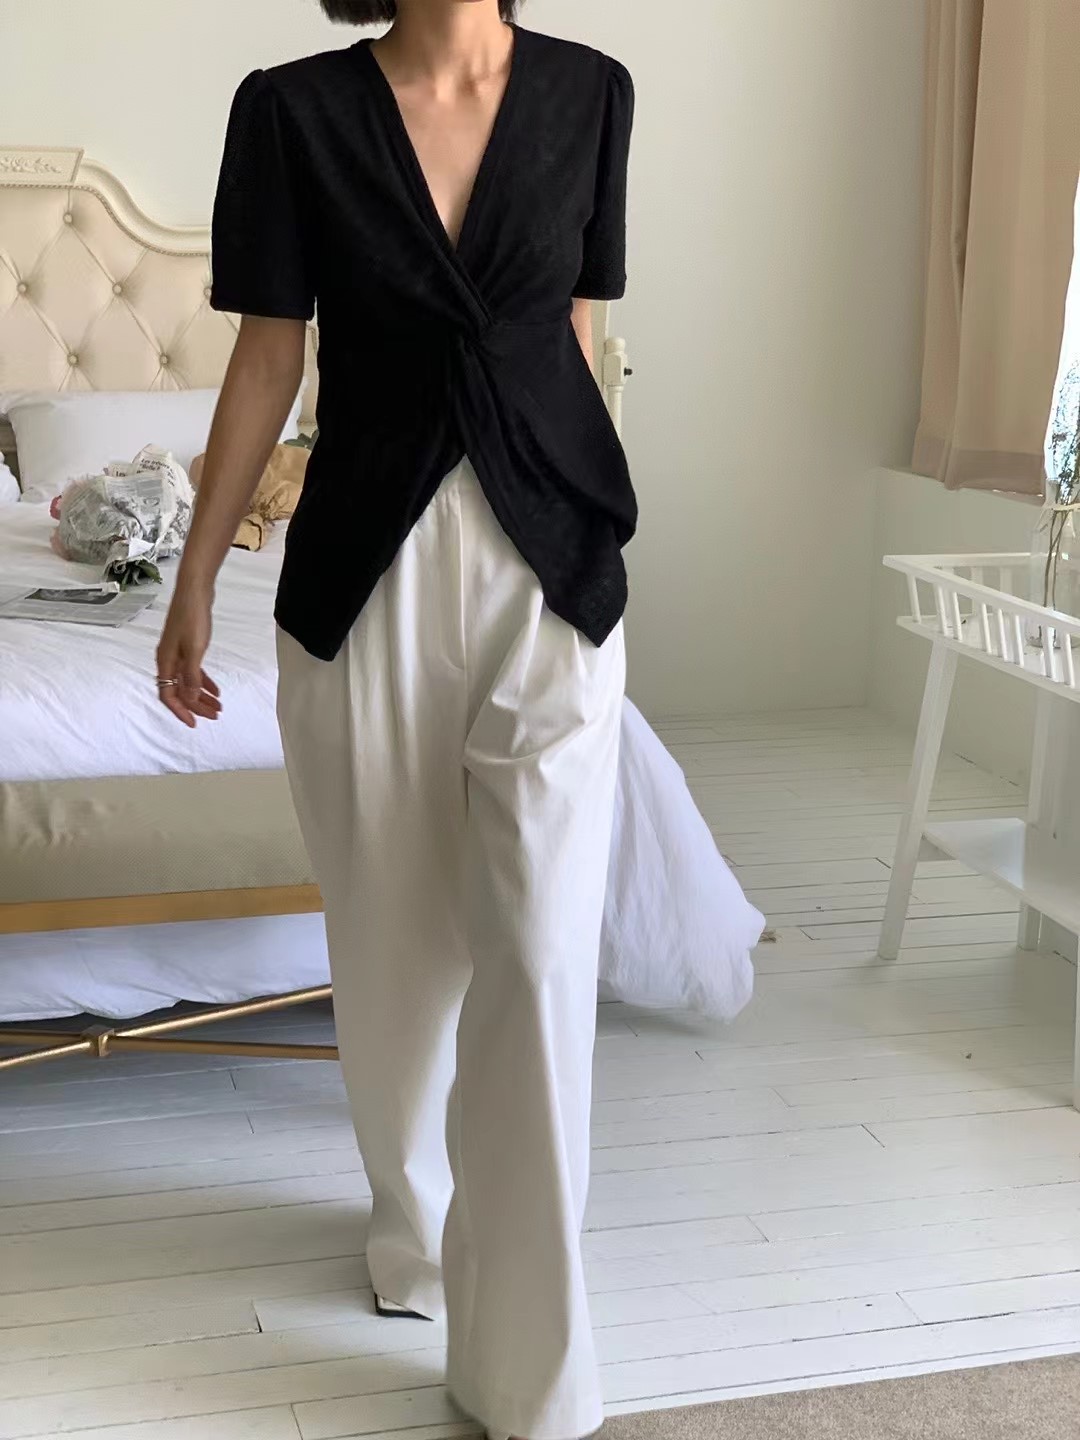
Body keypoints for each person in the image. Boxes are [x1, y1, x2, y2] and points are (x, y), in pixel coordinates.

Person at [156, 1, 635, 1435]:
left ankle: (530, 1374)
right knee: (394, 951)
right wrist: (196, 576)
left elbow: (577, 335)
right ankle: (413, 1215)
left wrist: (589, 509)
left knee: (540, 960)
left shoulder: (592, 95)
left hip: (553, 575)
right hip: (364, 580)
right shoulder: (291, 111)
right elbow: (268, 358)